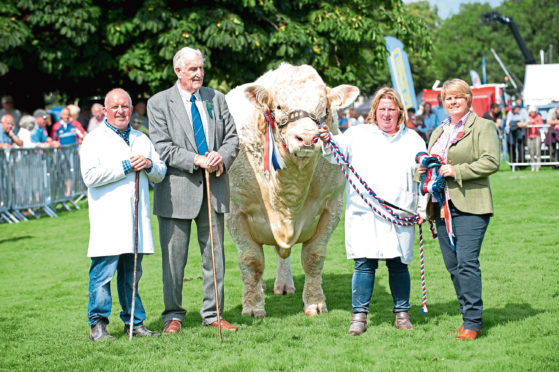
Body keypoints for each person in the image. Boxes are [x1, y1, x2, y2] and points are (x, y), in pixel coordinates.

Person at [318, 87, 428, 336]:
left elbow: (423, 174)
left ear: (400, 112)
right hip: (364, 213)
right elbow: (335, 153)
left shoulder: (413, 139)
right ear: (374, 112)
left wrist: (422, 206)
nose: (386, 115)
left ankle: (402, 314)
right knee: (364, 264)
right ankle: (359, 316)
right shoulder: (357, 134)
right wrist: (327, 139)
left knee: (398, 264)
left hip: (399, 212)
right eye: (382, 110)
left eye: (391, 110)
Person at [148, 46, 239, 334]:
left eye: (200, 68)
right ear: (178, 71)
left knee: (215, 259)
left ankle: (214, 314)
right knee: (174, 262)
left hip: (213, 192)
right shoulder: (159, 103)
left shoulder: (217, 98)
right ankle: (172, 316)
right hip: (176, 194)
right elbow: (162, 147)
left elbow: (233, 139)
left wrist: (220, 156)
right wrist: (196, 159)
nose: (198, 73)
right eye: (192, 69)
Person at [80, 88, 167, 341]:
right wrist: (126, 166)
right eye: (115, 107)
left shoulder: (142, 138)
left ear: (131, 109)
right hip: (108, 218)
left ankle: (134, 323)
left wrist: (149, 165)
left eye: (125, 106)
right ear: (105, 111)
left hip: (135, 219)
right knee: (103, 274)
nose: (121, 111)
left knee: (131, 276)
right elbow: (90, 176)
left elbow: (160, 171)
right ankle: (98, 325)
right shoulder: (94, 139)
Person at [419, 79, 499, 340]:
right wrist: (425, 170)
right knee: (453, 266)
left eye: (458, 97)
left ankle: (473, 322)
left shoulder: (483, 126)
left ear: (469, 99)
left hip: (471, 205)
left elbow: (490, 161)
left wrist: (457, 171)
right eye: (447, 98)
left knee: (466, 263)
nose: (452, 102)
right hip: (441, 207)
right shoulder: (438, 131)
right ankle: (469, 315)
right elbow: (434, 162)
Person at [526, 106, 543, 171]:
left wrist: (534, 122)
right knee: (531, 152)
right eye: (531, 112)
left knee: (538, 151)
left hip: (537, 136)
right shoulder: (527, 117)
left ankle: (538, 166)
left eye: (533, 112)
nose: (532, 113)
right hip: (529, 136)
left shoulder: (538, 117)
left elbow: (541, 125)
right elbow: (525, 123)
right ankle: (532, 166)